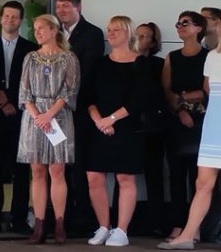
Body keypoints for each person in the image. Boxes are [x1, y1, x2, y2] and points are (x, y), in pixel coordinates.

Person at [158, 16, 221, 250]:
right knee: (203, 181)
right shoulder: (213, 56)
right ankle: (187, 234)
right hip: (214, 121)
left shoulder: (210, 56)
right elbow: (207, 89)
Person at [84, 16, 147, 247]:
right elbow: (88, 97)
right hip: (99, 126)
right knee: (94, 178)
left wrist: (111, 119)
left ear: (127, 33)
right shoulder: (100, 63)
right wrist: (100, 121)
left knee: (125, 177)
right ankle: (103, 226)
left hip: (127, 128)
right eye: (109, 30)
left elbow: (139, 100)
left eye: (116, 30)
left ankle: (122, 230)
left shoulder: (141, 63)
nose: (110, 33)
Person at [17, 14, 80, 245]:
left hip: (59, 116)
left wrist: (49, 115)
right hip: (34, 118)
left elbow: (70, 90)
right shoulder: (30, 58)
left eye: (42, 28)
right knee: (37, 171)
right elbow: (24, 92)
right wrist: (37, 116)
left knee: (57, 170)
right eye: (35, 29)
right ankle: (40, 224)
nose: (38, 32)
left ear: (54, 30)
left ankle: (60, 222)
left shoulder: (68, 58)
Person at [0, 1, 37, 233]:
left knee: (21, 171)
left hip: (22, 117)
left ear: (21, 21)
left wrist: (14, 101)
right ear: (0, 19)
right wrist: (2, 101)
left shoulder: (31, 49)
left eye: (15, 17)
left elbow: (32, 83)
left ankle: (19, 219)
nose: (10, 21)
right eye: (7, 16)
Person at [54, 0, 104, 233]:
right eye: (58, 7)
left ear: (78, 7)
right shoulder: (54, 32)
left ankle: (82, 216)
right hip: (53, 110)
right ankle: (62, 215)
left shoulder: (92, 34)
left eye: (66, 6)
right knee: (58, 162)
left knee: (80, 161)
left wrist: (64, 95)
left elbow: (87, 70)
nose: (61, 11)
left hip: (81, 107)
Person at [137, 22, 169, 236]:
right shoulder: (125, 60)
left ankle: (158, 222)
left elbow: (162, 94)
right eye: (136, 35)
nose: (139, 39)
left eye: (144, 36)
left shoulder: (159, 64)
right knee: (125, 173)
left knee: (154, 174)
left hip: (153, 125)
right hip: (130, 124)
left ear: (153, 42)